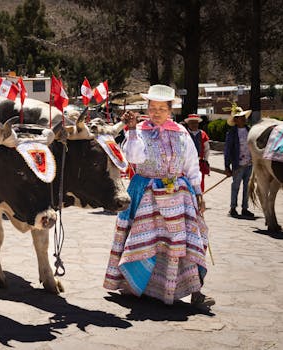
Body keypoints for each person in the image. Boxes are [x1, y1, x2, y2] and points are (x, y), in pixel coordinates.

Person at [103, 84, 214, 308]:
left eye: (161, 109)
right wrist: (132, 130)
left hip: (178, 196)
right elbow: (134, 158)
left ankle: (194, 290)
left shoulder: (181, 133)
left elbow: (191, 165)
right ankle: (137, 285)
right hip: (146, 193)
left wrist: (198, 194)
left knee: (183, 242)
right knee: (145, 243)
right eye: (152, 108)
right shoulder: (140, 130)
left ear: (170, 109)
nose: (156, 113)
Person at [224, 106, 254, 218]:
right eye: (239, 117)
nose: (242, 119)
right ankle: (233, 208)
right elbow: (227, 150)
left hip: (249, 164)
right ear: (235, 120)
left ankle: (245, 208)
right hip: (238, 165)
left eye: (243, 117)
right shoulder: (231, 133)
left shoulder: (250, 130)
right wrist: (227, 166)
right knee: (235, 186)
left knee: (247, 187)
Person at [184, 114, 210, 191]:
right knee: (187, 181)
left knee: (200, 181)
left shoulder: (203, 134)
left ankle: (199, 197)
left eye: (196, 123)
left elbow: (207, 149)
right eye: (192, 123)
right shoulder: (184, 134)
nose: (194, 124)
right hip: (187, 162)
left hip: (200, 162)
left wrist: (205, 160)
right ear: (188, 124)